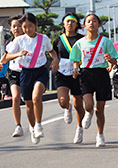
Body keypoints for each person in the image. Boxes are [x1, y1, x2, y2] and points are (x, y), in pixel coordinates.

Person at [6, 12, 59, 144]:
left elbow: (51, 51)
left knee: (36, 98)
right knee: (28, 104)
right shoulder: (19, 40)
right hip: (25, 73)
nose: (27, 30)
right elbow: (7, 56)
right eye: (24, 27)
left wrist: (55, 60)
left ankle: (39, 125)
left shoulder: (43, 38)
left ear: (36, 25)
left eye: (30, 26)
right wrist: (19, 54)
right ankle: (33, 127)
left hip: (40, 71)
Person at [70, 14, 118, 147]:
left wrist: (110, 60)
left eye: (94, 21)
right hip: (86, 74)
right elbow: (75, 59)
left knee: (101, 109)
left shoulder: (105, 41)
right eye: (89, 21)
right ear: (84, 26)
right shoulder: (80, 43)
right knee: (89, 105)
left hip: (101, 74)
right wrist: (75, 69)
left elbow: (115, 60)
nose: (91, 23)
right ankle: (88, 112)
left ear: (99, 25)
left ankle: (100, 135)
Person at [53, 12, 85, 143]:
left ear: (77, 24)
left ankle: (80, 128)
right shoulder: (58, 40)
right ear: (63, 24)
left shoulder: (82, 38)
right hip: (62, 72)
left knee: (79, 103)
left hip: (78, 72)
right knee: (62, 101)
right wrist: (54, 62)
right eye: (67, 21)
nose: (70, 24)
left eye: (72, 21)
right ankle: (67, 107)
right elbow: (54, 54)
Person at [0, 15, 25, 137]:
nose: (16, 28)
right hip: (14, 73)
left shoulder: (28, 40)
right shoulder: (9, 42)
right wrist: (0, 64)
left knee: (30, 100)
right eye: (14, 26)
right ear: (10, 28)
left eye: (19, 26)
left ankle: (35, 123)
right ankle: (18, 126)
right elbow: (5, 56)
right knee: (15, 98)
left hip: (28, 72)